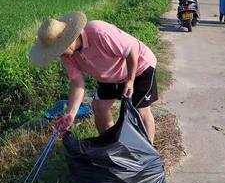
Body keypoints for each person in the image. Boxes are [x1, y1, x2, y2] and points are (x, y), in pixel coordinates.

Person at [29, 12, 158, 143]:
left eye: (58, 50)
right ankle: (110, 145)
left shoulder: (99, 32)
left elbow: (132, 49)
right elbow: (77, 84)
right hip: (110, 76)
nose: (58, 54)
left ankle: (149, 154)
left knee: (141, 111)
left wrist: (130, 81)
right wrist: (71, 114)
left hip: (139, 67)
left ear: (67, 41)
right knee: (99, 107)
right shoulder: (67, 56)